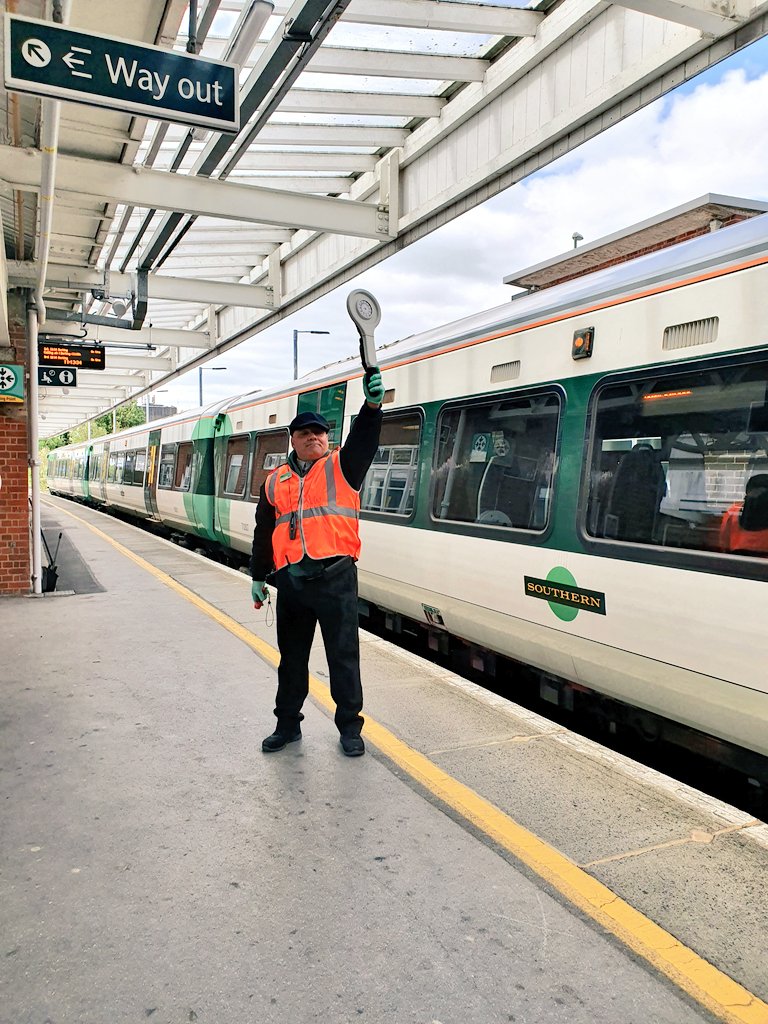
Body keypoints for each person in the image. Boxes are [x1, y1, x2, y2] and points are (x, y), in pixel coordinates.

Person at [250, 369, 385, 756]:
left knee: (343, 657)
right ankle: (287, 725)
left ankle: (350, 729)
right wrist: (258, 577)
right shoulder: (274, 481)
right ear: (292, 440)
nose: (314, 437)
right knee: (291, 660)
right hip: (292, 582)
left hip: (336, 579)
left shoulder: (343, 467)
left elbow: (365, 439)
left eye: (321, 432)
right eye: (306, 433)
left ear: (328, 438)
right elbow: (264, 532)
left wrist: (372, 407)